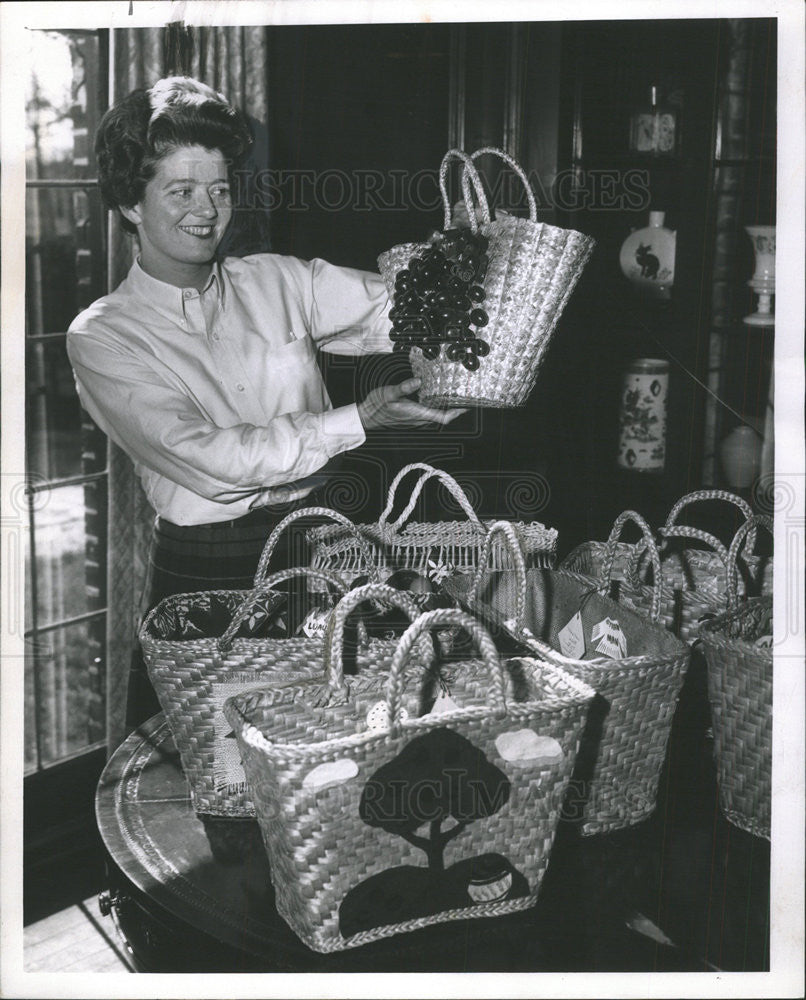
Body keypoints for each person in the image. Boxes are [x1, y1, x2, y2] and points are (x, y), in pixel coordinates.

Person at [66, 76, 464, 728]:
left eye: (220, 190)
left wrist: (459, 270)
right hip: (208, 573)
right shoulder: (104, 335)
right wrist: (358, 420)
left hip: (323, 546)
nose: (207, 210)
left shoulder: (277, 280)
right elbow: (212, 460)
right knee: (213, 771)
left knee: (334, 754)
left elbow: (397, 312)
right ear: (130, 204)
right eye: (181, 191)